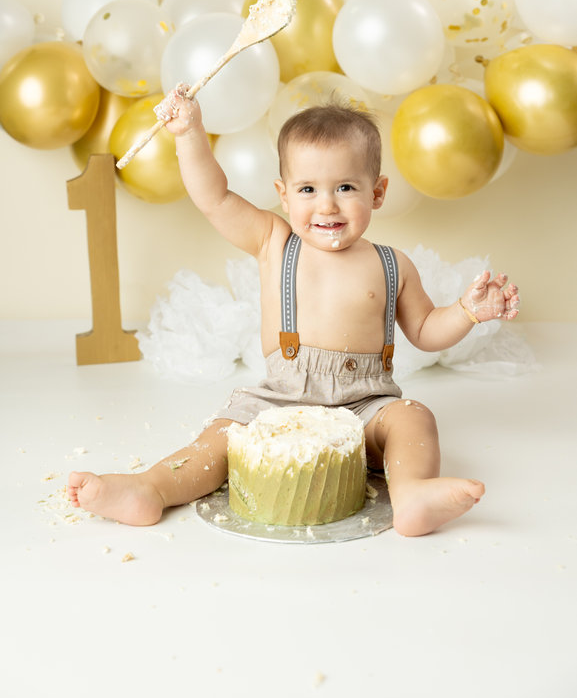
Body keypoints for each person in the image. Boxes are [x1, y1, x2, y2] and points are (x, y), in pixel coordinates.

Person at [68, 89, 520, 536]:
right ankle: (151, 489)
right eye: (308, 189)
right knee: (219, 440)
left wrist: (467, 311)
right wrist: (189, 133)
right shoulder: (274, 243)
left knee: (413, 416)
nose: (326, 205)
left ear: (377, 192)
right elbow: (215, 198)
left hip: (364, 406)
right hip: (280, 399)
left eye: (346, 187)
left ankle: (412, 494)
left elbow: (424, 330)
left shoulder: (392, 264)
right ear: (283, 195)